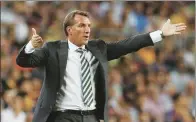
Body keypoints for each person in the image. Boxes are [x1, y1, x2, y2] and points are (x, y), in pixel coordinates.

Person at [16, 10, 186, 122]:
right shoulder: (52, 49)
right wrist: (31, 45)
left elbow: (127, 45)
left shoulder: (98, 48)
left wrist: (160, 34)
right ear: (69, 30)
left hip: (91, 116)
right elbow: (23, 61)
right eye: (81, 25)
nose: (87, 29)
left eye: (89, 25)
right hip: (62, 116)